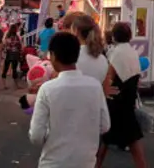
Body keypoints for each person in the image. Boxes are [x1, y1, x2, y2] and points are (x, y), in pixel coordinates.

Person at [29, 31, 110, 168]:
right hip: (86, 162)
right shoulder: (95, 86)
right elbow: (104, 125)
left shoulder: (47, 89)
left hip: (54, 162)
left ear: (53, 56)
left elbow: (36, 136)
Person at [98, 22, 147, 168]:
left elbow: (110, 76)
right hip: (128, 100)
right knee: (133, 142)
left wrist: (103, 90)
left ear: (114, 36)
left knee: (104, 141)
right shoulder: (133, 52)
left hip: (116, 102)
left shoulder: (116, 52)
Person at [2, 23, 25, 89]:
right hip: (15, 55)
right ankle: (17, 85)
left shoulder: (7, 36)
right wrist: (20, 53)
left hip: (8, 54)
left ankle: (4, 85)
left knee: (5, 69)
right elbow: (20, 46)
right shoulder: (17, 37)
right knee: (14, 70)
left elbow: (5, 44)